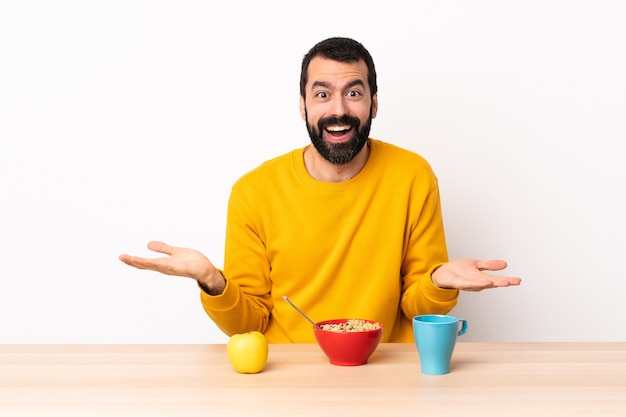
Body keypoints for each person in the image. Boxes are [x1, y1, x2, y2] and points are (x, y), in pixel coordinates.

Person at [119, 37, 521, 343]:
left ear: (374, 104)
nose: (339, 109)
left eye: (354, 92)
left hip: (385, 375)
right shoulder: (254, 192)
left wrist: (439, 283)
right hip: (287, 379)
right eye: (323, 93)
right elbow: (250, 323)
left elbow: (415, 306)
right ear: (303, 105)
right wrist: (212, 280)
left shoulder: (412, 176)